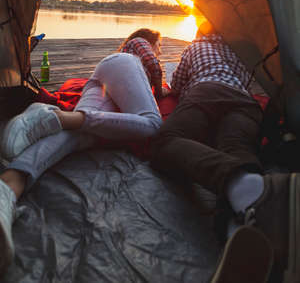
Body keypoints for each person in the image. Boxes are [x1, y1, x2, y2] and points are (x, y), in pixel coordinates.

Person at [0, 28, 165, 273]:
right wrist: (160, 91)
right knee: (152, 123)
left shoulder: (118, 68)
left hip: (99, 80)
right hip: (118, 66)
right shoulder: (138, 46)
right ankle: (55, 117)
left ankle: (8, 188)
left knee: (78, 134)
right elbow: (152, 63)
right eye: (159, 46)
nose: (159, 50)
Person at [150, 21, 300, 283]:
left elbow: (176, 85)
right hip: (245, 103)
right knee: (236, 147)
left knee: (166, 141)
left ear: (200, 33)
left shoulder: (196, 46)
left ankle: (251, 188)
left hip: (206, 93)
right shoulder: (240, 52)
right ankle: (243, 226)